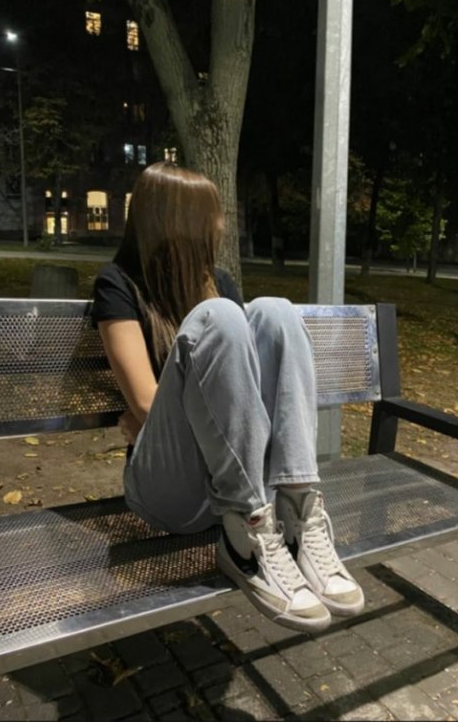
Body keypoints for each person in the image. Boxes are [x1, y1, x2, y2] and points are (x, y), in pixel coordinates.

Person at [92, 160, 365, 632]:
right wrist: (156, 419)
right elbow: (146, 405)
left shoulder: (220, 283)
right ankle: (246, 540)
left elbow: (238, 397)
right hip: (167, 490)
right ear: (182, 219)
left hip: (232, 481)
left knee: (275, 311)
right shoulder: (118, 284)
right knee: (217, 317)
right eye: (214, 213)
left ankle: (298, 513)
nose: (222, 224)